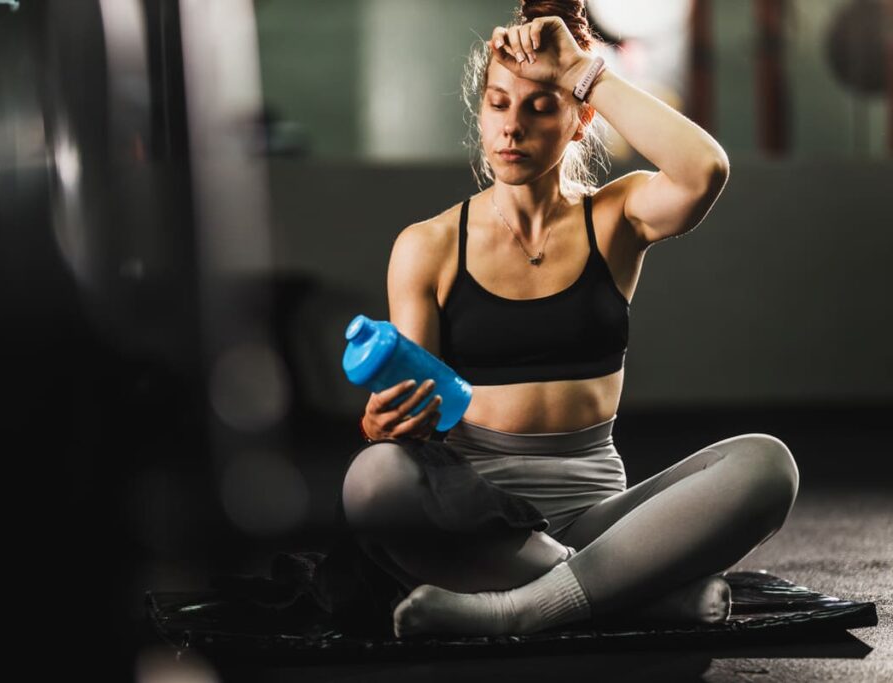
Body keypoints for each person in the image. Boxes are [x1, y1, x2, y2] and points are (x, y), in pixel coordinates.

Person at [338, 0, 799, 637]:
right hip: (483, 525)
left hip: (604, 520)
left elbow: (705, 170)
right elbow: (416, 432)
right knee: (372, 478)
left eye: (539, 105)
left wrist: (584, 70)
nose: (511, 128)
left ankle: (519, 609)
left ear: (580, 118)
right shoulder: (428, 246)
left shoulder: (615, 217)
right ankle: (624, 592)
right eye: (498, 104)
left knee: (768, 465)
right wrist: (381, 424)